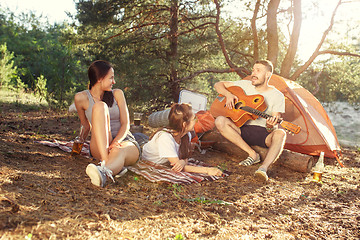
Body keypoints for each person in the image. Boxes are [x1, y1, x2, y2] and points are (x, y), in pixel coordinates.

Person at [214, 60, 286, 181]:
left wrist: (270, 125)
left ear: (268, 74)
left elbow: (273, 127)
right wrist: (228, 95)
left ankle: (263, 169)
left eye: (258, 70)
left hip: (264, 134)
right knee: (220, 121)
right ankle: (253, 154)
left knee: (281, 133)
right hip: (241, 129)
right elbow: (218, 85)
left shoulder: (277, 96)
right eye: (253, 70)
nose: (253, 73)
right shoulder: (244, 85)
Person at [73, 60, 140, 187]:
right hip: (100, 144)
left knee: (119, 151)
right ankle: (107, 163)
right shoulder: (81, 98)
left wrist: (116, 142)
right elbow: (85, 125)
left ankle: (103, 171)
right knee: (99, 106)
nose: (114, 82)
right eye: (111, 78)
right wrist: (77, 146)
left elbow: (126, 124)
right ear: (99, 79)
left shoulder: (117, 94)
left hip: (123, 139)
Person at [142, 103, 223, 176]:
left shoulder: (186, 135)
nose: (196, 121)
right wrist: (207, 170)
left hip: (163, 161)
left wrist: (183, 161)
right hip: (145, 156)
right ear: (184, 124)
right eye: (194, 119)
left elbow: (184, 159)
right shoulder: (166, 138)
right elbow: (178, 167)